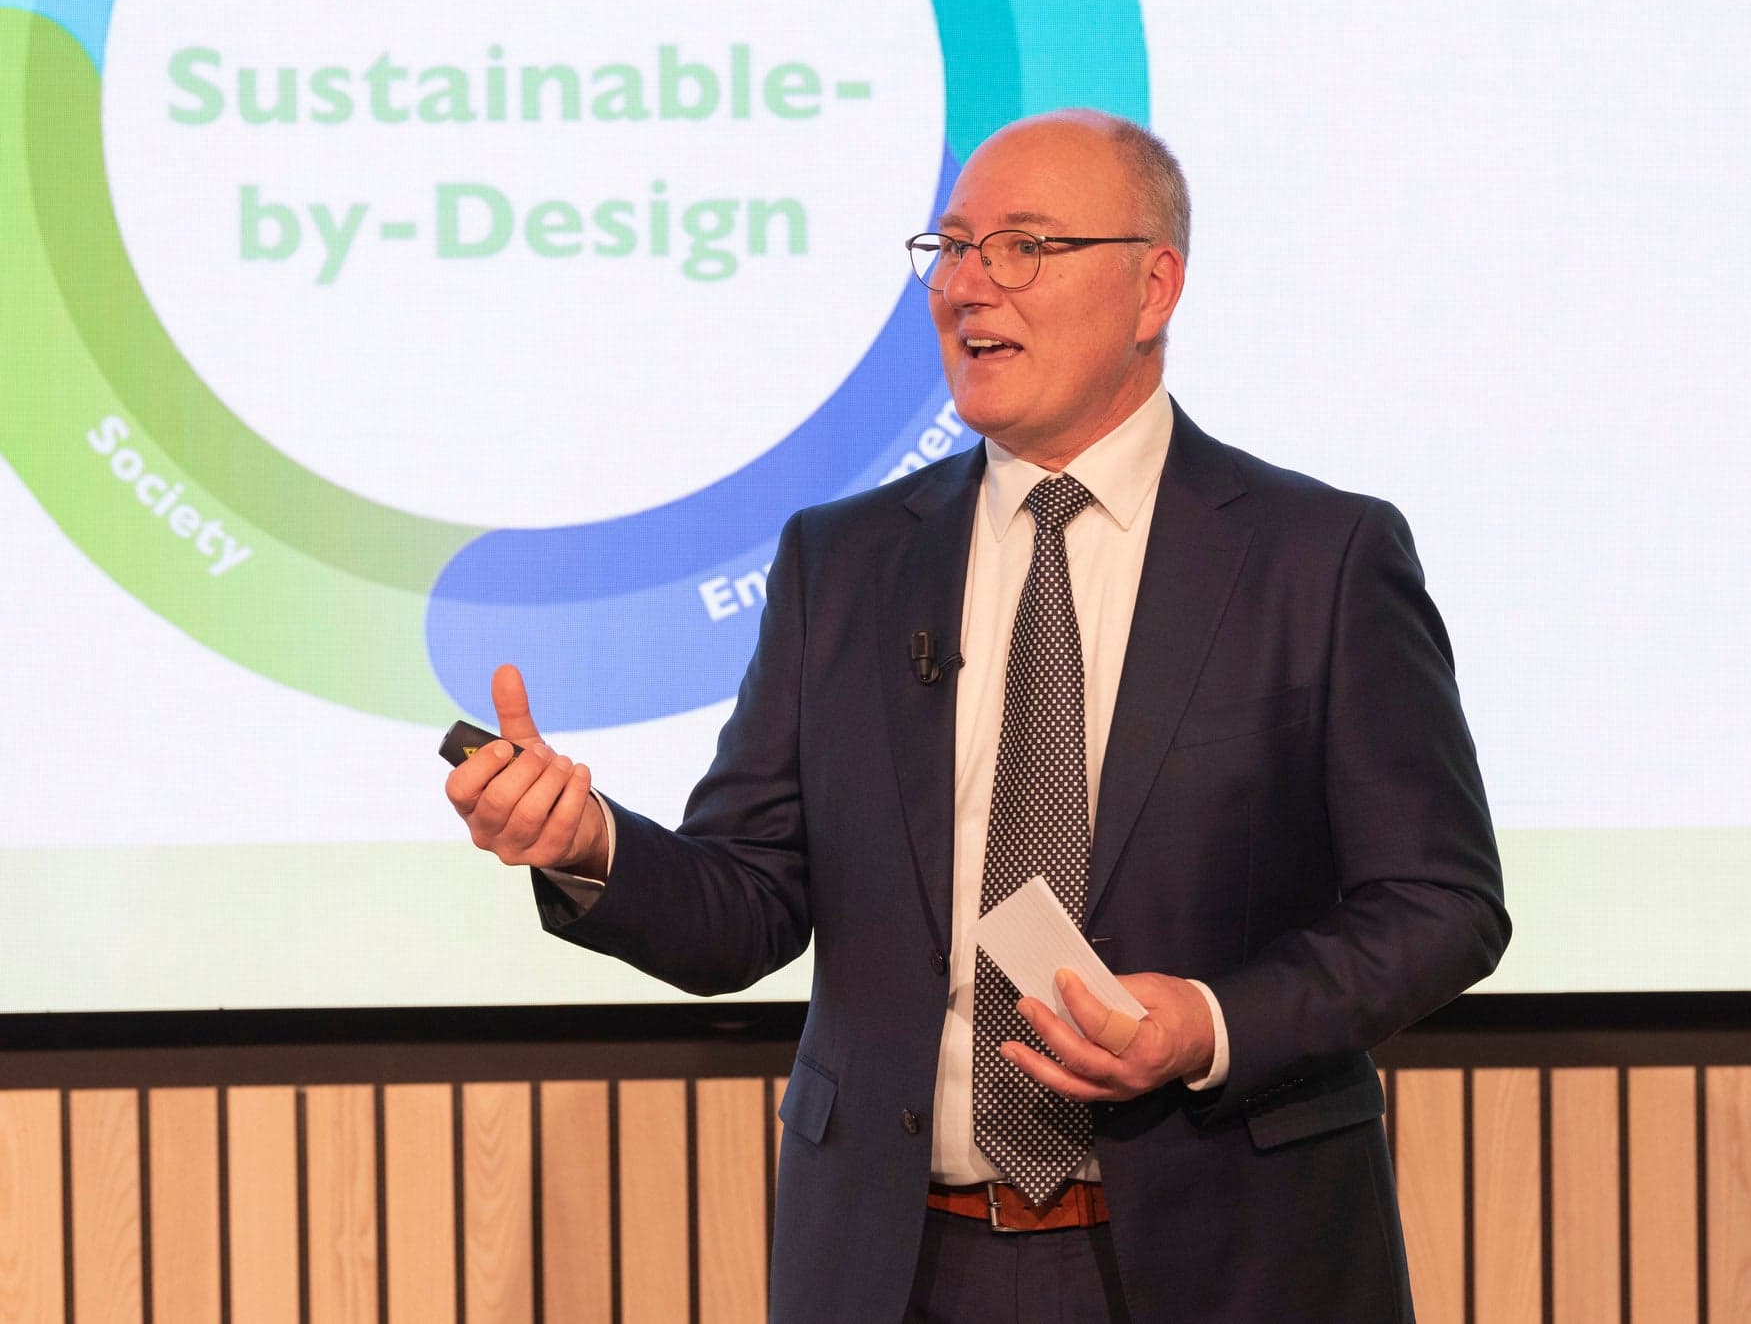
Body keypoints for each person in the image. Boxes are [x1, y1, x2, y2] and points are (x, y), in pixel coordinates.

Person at [447, 108, 1507, 1322]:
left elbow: (1439, 904)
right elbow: (748, 902)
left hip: (1228, 1257)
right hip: (899, 1265)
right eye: (949, 248)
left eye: (1022, 246)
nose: (963, 286)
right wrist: (588, 845)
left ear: (1152, 286)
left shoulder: (1316, 556)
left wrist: (1206, 1022)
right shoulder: (842, 563)